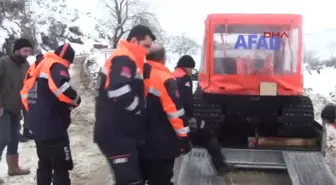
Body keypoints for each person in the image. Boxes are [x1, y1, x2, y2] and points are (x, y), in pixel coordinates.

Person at [94, 25, 155, 185]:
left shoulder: (129, 58)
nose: (147, 52)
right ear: (134, 40)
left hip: (121, 132)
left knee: (131, 179)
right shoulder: (125, 57)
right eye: (145, 46)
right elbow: (117, 88)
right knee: (130, 181)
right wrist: (138, 109)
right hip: (115, 133)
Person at [21, 43, 80, 185]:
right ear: (66, 58)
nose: (68, 66)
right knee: (61, 167)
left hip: (37, 125)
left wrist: (33, 113)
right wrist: (76, 100)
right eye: (69, 63)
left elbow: (24, 93)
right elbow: (63, 89)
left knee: (44, 163)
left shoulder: (37, 65)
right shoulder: (56, 65)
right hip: (53, 126)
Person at [173, 55, 234, 175]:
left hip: (171, 118)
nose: (191, 72)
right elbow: (187, 101)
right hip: (182, 118)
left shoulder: (172, 75)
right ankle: (220, 167)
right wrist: (192, 117)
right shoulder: (184, 78)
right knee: (207, 133)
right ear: (187, 67)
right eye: (191, 69)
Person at [140, 44, 191, 185]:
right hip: (162, 145)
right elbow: (175, 111)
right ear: (163, 58)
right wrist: (184, 137)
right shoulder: (165, 78)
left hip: (138, 142)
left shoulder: (136, 74)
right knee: (161, 180)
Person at [0, 38, 32, 183]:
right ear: (17, 50)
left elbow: (29, 86)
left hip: (16, 108)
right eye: (25, 50)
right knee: (3, 138)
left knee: (14, 139)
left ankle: (13, 168)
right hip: (3, 109)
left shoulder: (26, 65)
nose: (27, 53)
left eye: (29, 51)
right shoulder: (4, 62)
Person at [20, 53, 44, 141]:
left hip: (29, 92)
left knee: (28, 114)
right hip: (22, 92)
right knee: (19, 115)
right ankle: (17, 134)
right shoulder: (31, 67)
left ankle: (27, 131)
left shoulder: (27, 65)